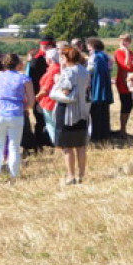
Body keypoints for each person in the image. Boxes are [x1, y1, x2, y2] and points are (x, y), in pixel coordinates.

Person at [52, 45, 90, 185]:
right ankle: (81, 175)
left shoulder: (68, 72)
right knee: (80, 146)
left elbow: (66, 90)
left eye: (62, 56)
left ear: (67, 57)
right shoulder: (84, 71)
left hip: (68, 111)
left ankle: (70, 176)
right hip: (82, 111)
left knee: (67, 146)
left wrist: (57, 81)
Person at [0, 54, 36, 182]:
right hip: (16, 114)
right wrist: (24, 107)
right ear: (18, 64)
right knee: (14, 146)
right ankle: (14, 175)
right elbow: (31, 101)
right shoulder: (24, 79)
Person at [86, 37, 114, 143]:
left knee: (96, 112)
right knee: (105, 112)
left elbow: (89, 71)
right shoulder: (106, 56)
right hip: (105, 86)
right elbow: (110, 68)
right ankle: (105, 134)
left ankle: (96, 135)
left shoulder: (94, 57)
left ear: (92, 46)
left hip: (96, 86)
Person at [114, 33, 133, 136]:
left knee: (129, 104)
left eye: (127, 40)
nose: (125, 42)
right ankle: (122, 129)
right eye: (123, 40)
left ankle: (124, 129)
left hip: (130, 80)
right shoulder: (119, 52)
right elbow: (126, 65)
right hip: (123, 81)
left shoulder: (131, 52)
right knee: (126, 103)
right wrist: (127, 52)